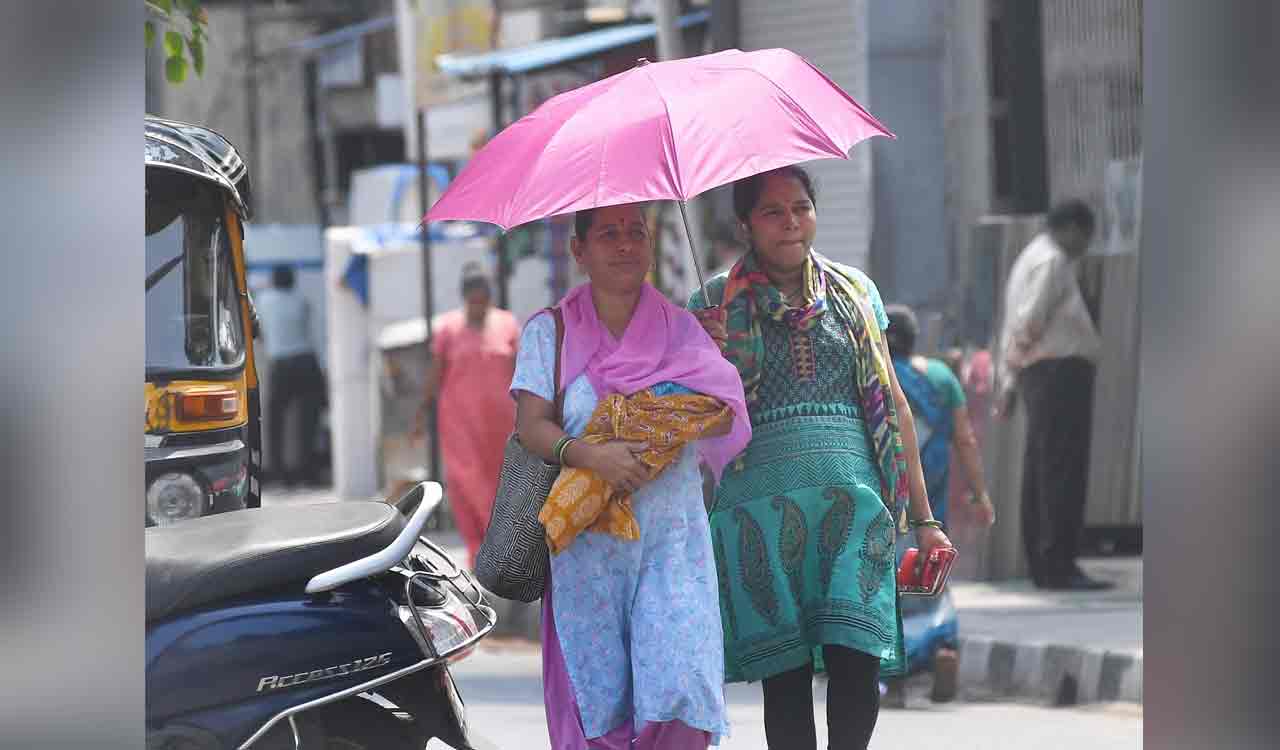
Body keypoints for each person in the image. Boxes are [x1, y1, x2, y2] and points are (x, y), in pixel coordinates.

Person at [689, 166, 953, 750]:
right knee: (784, 680)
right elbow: (697, 424)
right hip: (759, 515)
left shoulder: (855, 292)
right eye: (772, 212)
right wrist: (700, 357)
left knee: (857, 658)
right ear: (744, 224)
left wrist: (926, 520)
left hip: (855, 510)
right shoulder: (711, 304)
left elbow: (894, 403)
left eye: (800, 207)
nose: (790, 222)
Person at [510, 203, 750, 750]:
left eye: (636, 233)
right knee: (599, 709)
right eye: (608, 234)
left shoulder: (685, 330)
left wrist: (712, 358)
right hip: (586, 556)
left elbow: (722, 405)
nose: (625, 246)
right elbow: (531, 426)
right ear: (579, 250)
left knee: (680, 688)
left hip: (673, 544)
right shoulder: (551, 332)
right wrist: (592, 456)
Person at [995, 199, 1110, 591]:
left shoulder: (1029, 258)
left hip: (1039, 373)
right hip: (1058, 372)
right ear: (1073, 228)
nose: (1086, 245)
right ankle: (1058, 564)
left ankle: (1045, 563)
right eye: (1086, 235)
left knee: (1043, 469)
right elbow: (1028, 320)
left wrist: (1010, 377)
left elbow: (1015, 324)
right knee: (1062, 469)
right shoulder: (1053, 260)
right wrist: (1014, 366)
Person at [883, 304, 995, 703]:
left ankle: (893, 676)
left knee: (889, 586)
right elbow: (965, 439)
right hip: (930, 501)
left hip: (886, 499)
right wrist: (980, 493)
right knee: (930, 577)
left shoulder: (873, 374)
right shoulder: (941, 377)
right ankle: (943, 648)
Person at [419, 262, 520, 569]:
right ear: (465, 298)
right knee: (467, 484)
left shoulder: (507, 323)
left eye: (483, 299)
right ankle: (481, 549)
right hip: (460, 424)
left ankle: (501, 549)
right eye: (472, 300)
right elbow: (435, 375)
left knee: (501, 484)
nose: (478, 306)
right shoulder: (448, 329)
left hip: (501, 424)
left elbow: (521, 371)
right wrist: (421, 414)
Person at [255, 265, 324, 485]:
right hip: (306, 361)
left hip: (280, 364)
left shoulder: (263, 300)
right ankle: (308, 473)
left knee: (275, 421)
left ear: (274, 281)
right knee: (308, 421)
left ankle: (279, 474)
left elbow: (260, 332)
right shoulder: (301, 300)